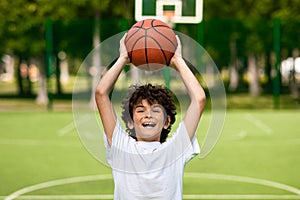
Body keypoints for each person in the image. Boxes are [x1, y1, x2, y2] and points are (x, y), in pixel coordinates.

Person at [95, 33, 206, 200]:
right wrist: (123, 58)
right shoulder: (121, 146)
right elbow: (101, 93)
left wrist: (177, 60)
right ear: (130, 123)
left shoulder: (175, 149)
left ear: (167, 122)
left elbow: (199, 99)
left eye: (156, 110)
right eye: (140, 110)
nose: (148, 115)